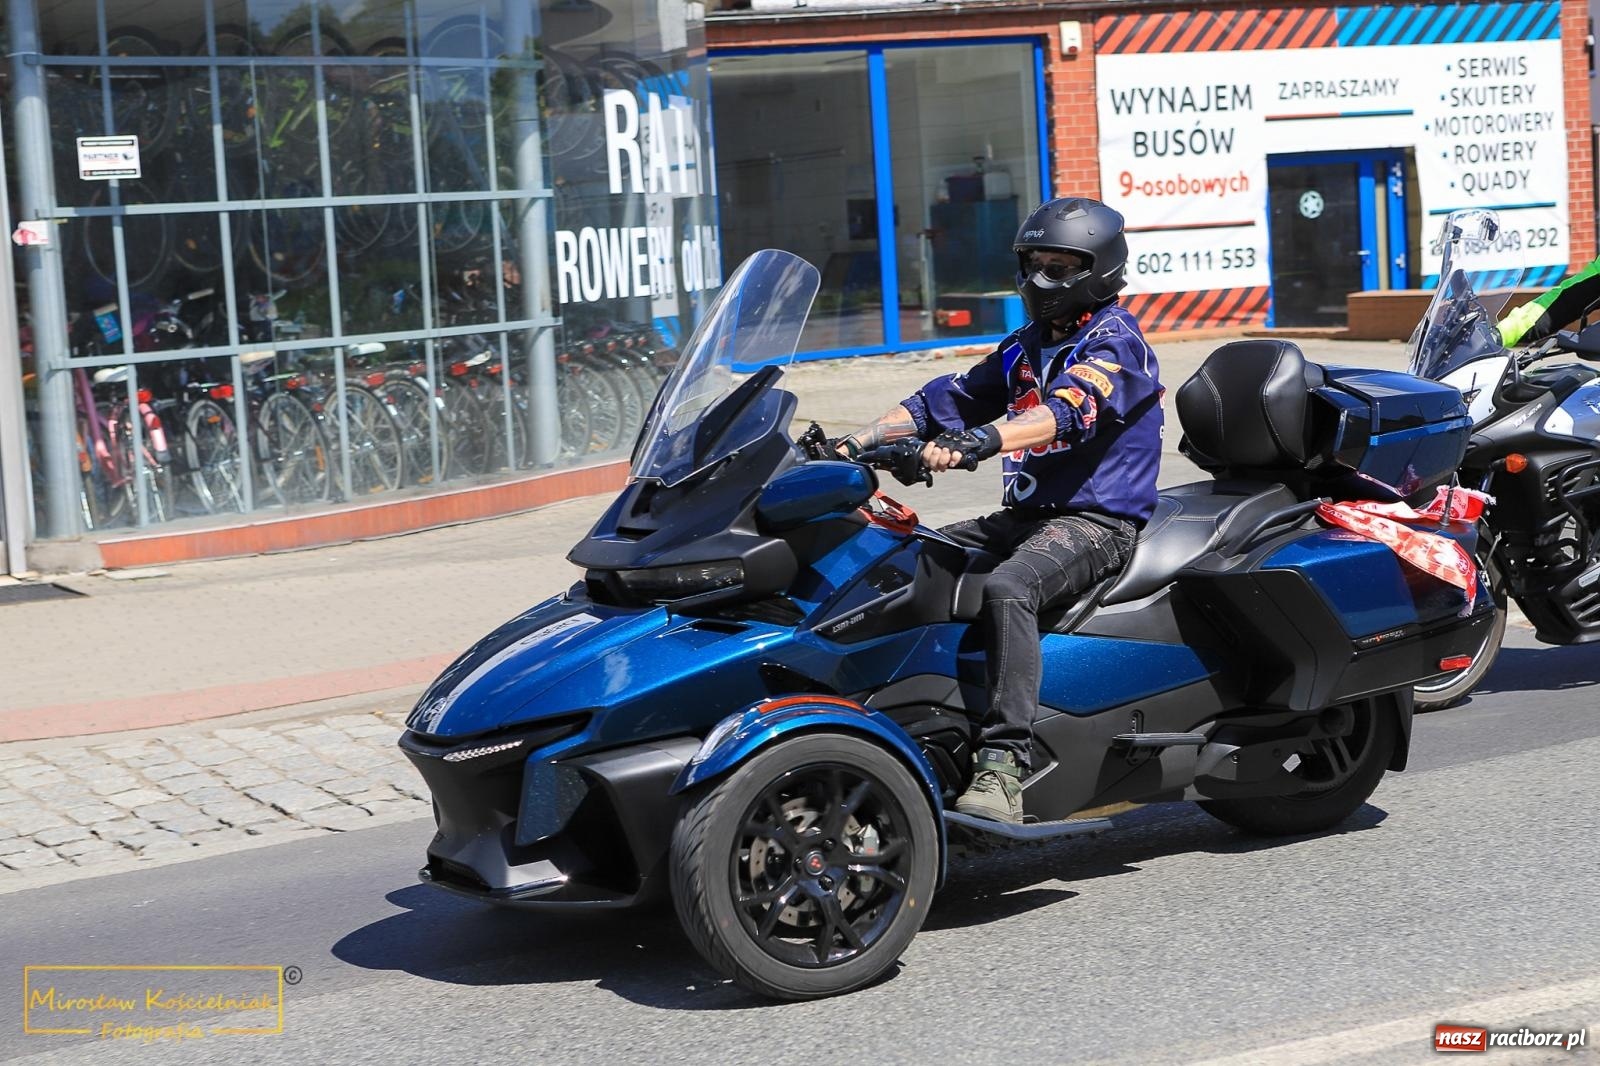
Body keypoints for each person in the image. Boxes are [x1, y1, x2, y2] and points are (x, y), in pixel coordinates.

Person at [836, 197, 1163, 823]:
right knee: (906, 553)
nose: (1043, 280)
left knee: (1009, 587)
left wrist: (985, 440)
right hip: (1027, 515)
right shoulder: (1026, 345)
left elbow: (1066, 410)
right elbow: (948, 401)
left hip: (1095, 521)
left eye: (1060, 267)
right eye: (1035, 263)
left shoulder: (1117, 345)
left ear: (1099, 270)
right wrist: (861, 441)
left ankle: (1005, 764)